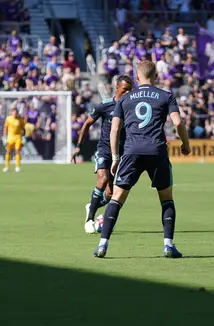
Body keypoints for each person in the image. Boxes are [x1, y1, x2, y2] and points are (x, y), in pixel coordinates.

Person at [93, 61, 191, 258]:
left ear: (137, 77)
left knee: (117, 198)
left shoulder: (126, 98)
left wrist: (114, 157)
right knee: (166, 199)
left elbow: (114, 129)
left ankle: (103, 245)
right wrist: (185, 144)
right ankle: (168, 245)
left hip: (131, 152)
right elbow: (178, 122)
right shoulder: (166, 96)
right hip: (157, 151)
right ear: (155, 76)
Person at [71, 75, 133, 234]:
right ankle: (90, 219)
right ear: (117, 88)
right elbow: (87, 124)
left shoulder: (132, 107)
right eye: (125, 90)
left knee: (111, 193)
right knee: (103, 178)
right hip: (104, 150)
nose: (127, 93)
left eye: (130, 90)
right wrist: (78, 146)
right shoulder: (105, 105)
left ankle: (91, 206)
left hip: (121, 153)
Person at [2, 107, 24, 173]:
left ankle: (17, 166)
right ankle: (7, 166)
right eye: (13, 112)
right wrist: (4, 137)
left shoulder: (20, 119)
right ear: (11, 112)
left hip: (18, 137)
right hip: (10, 137)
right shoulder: (8, 119)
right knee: (8, 151)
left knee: (17, 151)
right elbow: (5, 128)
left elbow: (23, 128)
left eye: (16, 112)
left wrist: (24, 137)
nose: (14, 113)